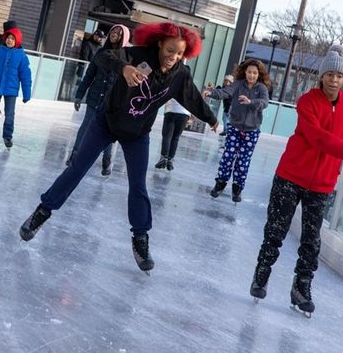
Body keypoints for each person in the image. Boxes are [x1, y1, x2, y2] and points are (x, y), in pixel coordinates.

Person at [18, 22, 219, 273]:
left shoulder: (180, 74)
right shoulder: (137, 55)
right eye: (170, 50)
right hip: (106, 122)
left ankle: (141, 238)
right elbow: (103, 55)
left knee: (138, 185)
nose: (173, 57)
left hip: (137, 134)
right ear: (159, 43)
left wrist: (211, 118)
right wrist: (123, 67)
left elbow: (192, 98)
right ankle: (41, 212)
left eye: (179, 53)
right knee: (77, 169)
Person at [248, 45, 343, 316]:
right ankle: (262, 274)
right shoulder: (307, 102)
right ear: (321, 76)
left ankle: (302, 287)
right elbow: (319, 139)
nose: (334, 80)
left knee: (311, 240)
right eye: (329, 74)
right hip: (290, 177)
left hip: (322, 183)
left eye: (339, 76)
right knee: (276, 230)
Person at [204, 59, 271, 202]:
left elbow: (265, 102)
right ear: (245, 72)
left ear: (258, 74)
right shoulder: (238, 85)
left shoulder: (262, 88)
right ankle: (220, 184)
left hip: (252, 130)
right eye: (249, 72)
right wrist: (211, 92)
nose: (251, 75)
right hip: (235, 127)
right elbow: (225, 92)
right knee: (228, 157)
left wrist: (251, 102)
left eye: (254, 73)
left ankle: (237, 188)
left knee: (243, 161)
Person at [68, 24, 131, 175]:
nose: (114, 34)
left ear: (124, 37)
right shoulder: (100, 53)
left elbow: (128, 84)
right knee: (85, 127)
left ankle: (106, 160)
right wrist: (79, 95)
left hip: (111, 103)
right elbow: (89, 75)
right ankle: (74, 155)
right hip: (94, 98)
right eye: (113, 31)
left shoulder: (126, 57)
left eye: (118, 32)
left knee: (108, 132)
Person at [154, 99, 191, 171]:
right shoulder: (190, 87)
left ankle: (163, 158)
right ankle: (170, 160)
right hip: (184, 114)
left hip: (171, 110)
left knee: (167, 136)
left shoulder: (171, 86)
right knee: (175, 138)